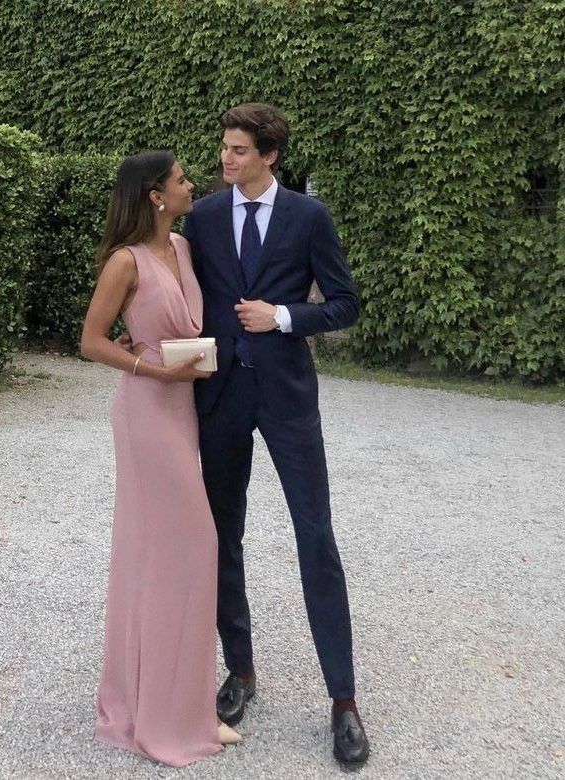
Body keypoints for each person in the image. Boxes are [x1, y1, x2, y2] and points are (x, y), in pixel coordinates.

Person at [182, 103, 370, 766]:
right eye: (224, 149)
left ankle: (343, 701)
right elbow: (182, 293)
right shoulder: (202, 216)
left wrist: (283, 316)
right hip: (221, 397)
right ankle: (241, 671)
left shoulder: (308, 217)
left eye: (237, 151)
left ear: (269, 156)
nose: (225, 160)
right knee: (221, 535)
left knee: (315, 537)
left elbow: (344, 303)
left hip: (288, 398)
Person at [80, 151, 241, 767]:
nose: (191, 184)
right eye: (180, 180)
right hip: (147, 412)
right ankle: (159, 711)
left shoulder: (184, 247)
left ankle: (180, 704)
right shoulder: (125, 261)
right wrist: (147, 365)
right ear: (154, 194)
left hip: (183, 408)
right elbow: (91, 341)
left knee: (165, 556)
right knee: (190, 544)